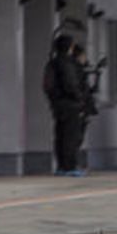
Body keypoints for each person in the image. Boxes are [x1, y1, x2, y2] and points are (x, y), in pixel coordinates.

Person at [42, 32, 88, 176]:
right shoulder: (67, 63)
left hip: (58, 105)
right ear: (69, 47)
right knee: (71, 137)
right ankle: (70, 167)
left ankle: (61, 166)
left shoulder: (53, 63)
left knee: (60, 135)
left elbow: (47, 86)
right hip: (70, 105)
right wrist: (80, 98)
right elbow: (70, 84)